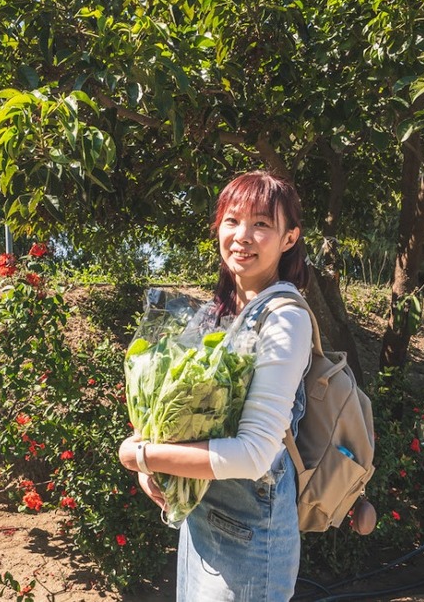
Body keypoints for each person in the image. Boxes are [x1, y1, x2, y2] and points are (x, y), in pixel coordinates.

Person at [118, 170, 313, 601]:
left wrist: (140, 455)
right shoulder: (217, 313)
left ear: (289, 238)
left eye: (262, 224)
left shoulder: (285, 318)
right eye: (232, 220)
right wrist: (155, 465)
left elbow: (254, 454)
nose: (243, 236)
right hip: (199, 517)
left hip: (249, 536)